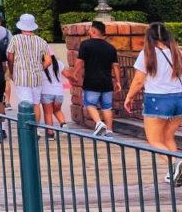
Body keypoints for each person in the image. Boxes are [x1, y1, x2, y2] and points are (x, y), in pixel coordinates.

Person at [124, 23, 182, 185]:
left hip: (157, 99)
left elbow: (138, 80)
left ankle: (176, 163)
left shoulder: (147, 53)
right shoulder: (176, 52)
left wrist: (129, 97)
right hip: (179, 99)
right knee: (168, 136)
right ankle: (175, 172)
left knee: (154, 140)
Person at [70, 20, 121, 137]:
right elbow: (115, 66)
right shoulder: (111, 48)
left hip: (91, 81)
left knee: (90, 104)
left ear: (93, 31)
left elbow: (80, 62)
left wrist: (74, 74)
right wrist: (118, 81)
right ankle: (109, 131)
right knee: (107, 107)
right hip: (107, 82)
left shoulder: (86, 45)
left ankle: (99, 123)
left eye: (89, 30)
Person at [6, 13, 52, 122]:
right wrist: (39, 68)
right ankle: (36, 128)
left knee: (25, 104)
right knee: (36, 104)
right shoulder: (41, 41)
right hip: (37, 77)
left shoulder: (15, 39)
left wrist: (12, 71)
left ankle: (28, 130)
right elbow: (48, 61)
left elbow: (10, 57)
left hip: (21, 76)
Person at [41, 53, 69, 135]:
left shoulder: (40, 65)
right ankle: (64, 126)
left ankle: (50, 134)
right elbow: (67, 74)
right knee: (57, 110)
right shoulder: (59, 63)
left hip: (46, 92)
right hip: (59, 93)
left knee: (48, 113)